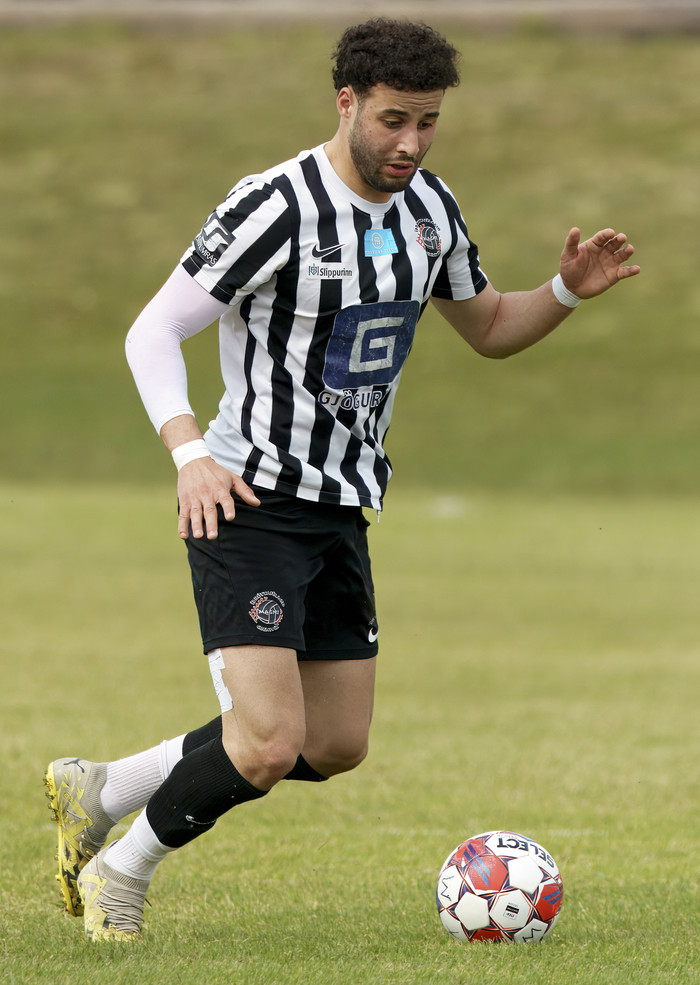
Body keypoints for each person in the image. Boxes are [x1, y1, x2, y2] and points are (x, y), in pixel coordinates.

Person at [44, 18, 639, 942]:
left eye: (428, 122)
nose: (411, 142)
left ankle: (105, 786)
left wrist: (562, 293)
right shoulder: (274, 206)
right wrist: (190, 453)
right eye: (394, 120)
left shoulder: (432, 211)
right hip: (245, 496)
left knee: (331, 744)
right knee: (268, 740)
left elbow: (488, 327)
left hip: (342, 506)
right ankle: (120, 872)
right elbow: (152, 330)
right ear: (347, 101)